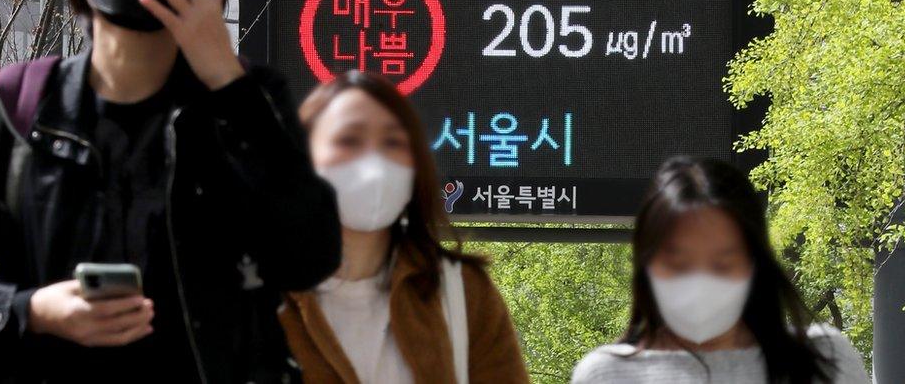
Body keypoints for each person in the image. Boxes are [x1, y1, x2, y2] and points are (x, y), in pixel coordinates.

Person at [0, 0, 340, 384]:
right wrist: (32, 311)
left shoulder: (249, 100)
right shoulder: (15, 107)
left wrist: (224, 76)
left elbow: (309, 259)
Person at [278, 71, 529, 384]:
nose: (374, 162)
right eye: (349, 140)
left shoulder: (462, 292)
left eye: (393, 142)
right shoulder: (255, 295)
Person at [572, 157, 869, 384]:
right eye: (678, 265)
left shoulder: (824, 361)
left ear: (755, 266)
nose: (699, 284)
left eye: (723, 265)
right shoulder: (606, 375)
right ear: (646, 267)